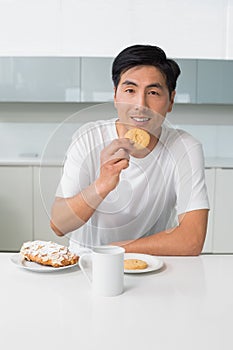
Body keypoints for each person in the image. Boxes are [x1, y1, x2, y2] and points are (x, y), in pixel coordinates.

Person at [50, 44, 209, 256]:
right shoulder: (89, 138)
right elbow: (59, 224)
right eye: (130, 90)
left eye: (153, 92)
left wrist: (112, 251)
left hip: (153, 265)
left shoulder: (185, 148)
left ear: (171, 100)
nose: (140, 104)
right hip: (87, 266)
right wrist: (102, 184)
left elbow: (192, 240)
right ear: (116, 95)